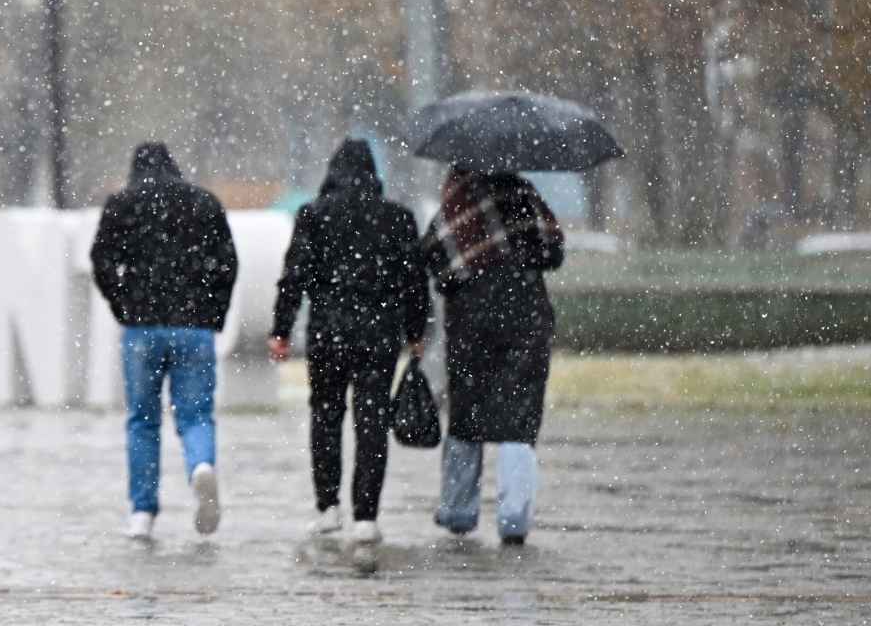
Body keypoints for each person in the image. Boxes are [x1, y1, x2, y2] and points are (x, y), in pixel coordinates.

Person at [267, 139, 429, 547]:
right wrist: (415, 331)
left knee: (326, 415)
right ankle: (366, 517)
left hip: (328, 333)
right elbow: (414, 281)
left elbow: (294, 276)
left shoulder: (314, 216)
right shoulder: (397, 219)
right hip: (379, 335)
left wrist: (281, 329)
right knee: (371, 420)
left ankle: (327, 507)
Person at [91, 141, 240, 540]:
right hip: (194, 327)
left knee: (142, 421)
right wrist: (213, 313)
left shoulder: (122, 204)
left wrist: (123, 304)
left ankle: (142, 512)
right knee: (195, 416)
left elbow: (101, 261)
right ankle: (200, 466)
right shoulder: (204, 203)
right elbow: (228, 263)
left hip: (142, 326)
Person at [419, 166, 563, 546]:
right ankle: (514, 519)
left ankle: (458, 511)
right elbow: (554, 250)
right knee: (520, 419)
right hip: (526, 314)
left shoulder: (455, 205)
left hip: (470, 320)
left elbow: (435, 261)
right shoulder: (524, 195)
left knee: (466, 417)